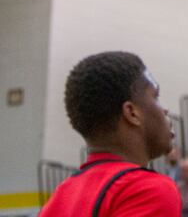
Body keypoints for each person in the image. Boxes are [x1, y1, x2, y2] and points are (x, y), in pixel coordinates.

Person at [40, 52, 180, 216]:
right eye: (156, 96)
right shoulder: (147, 190)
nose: (165, 110)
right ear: (132, 113)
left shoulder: (62, 195)